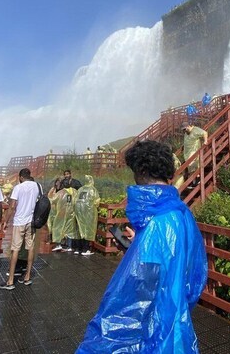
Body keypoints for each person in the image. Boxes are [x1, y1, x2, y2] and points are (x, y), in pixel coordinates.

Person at [76, 140, 207, 352]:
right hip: (175, 324)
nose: (134, 180)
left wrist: (136, 253)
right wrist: (137, 246)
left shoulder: (158, 223)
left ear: (143, 171)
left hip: (156, 331)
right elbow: (189, 270)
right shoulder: (181, 213)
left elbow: (142, 285)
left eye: (135, 173)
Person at [0, 168, 39, 289]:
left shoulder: (18, 187)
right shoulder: (36, 186)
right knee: (30, 247)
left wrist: (5, 221)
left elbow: (12, 207)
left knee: (15, 249)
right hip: (31, 221)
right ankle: (27, 277)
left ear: (21, 177)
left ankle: (10, 280)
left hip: (20, 221)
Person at [74, 175, 100, 256]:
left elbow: (75, 200)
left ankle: (78, 249)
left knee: (80, 229)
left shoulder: (81, 189)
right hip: (89, 213)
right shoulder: (93, 189)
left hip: (79, 212)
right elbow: (97, 201)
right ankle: (86, 249)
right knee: (88, 230)